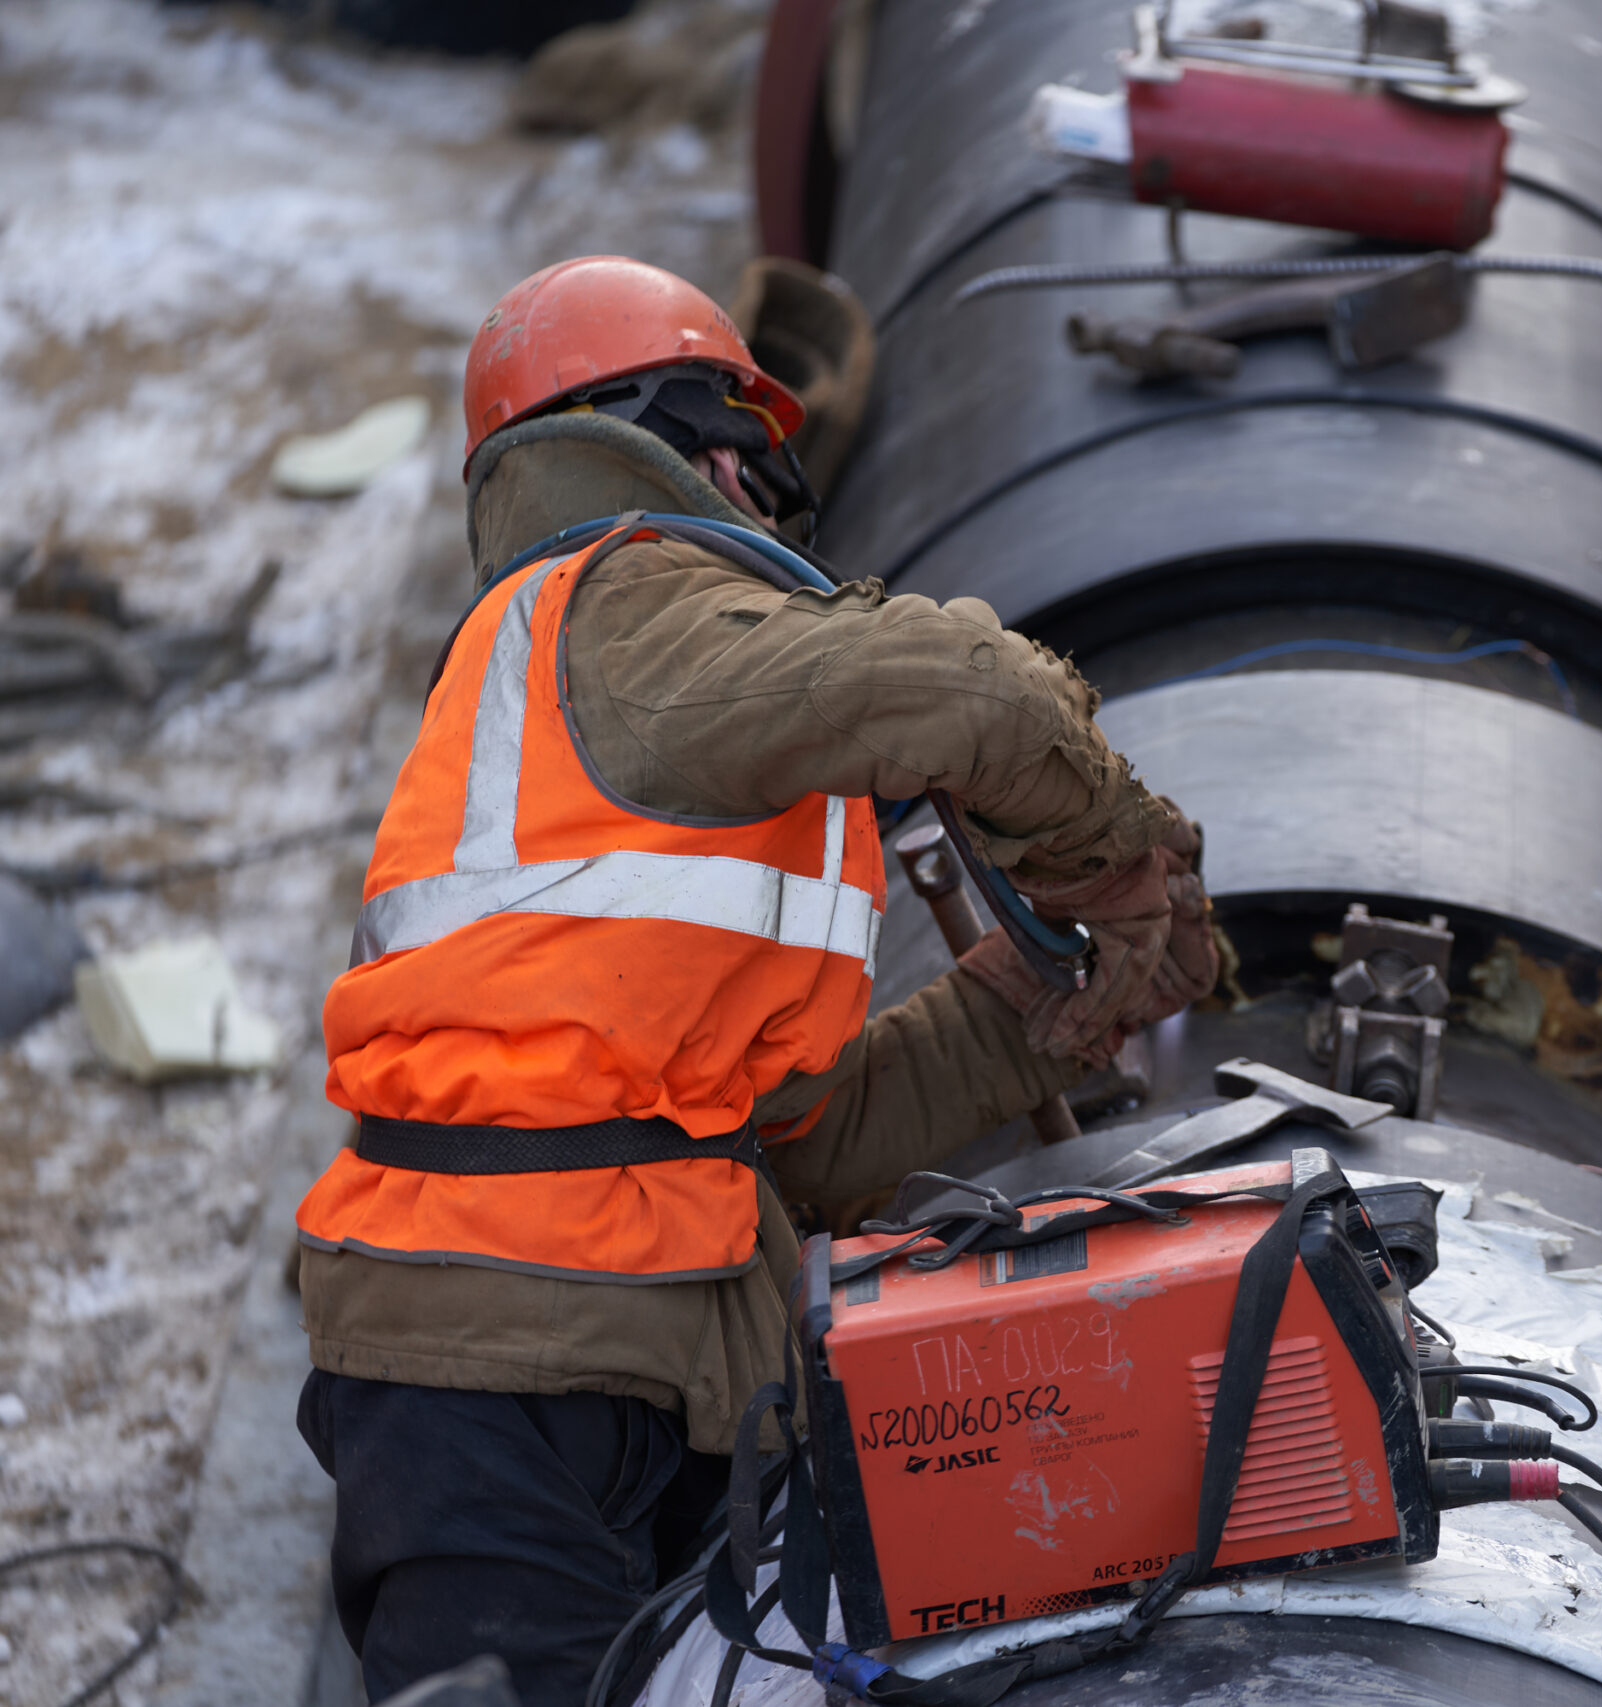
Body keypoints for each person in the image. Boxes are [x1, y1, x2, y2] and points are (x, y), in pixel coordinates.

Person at [291, 256, 1216, 1705]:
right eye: (754, 453)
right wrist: (1121, 859)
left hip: (610, 1351)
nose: (772, 495)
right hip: (491, 1362)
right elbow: (981, 695)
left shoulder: (621, 725)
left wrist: (1032, 1013)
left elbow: (797, 1142)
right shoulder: (618, 604)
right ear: (688, 443)